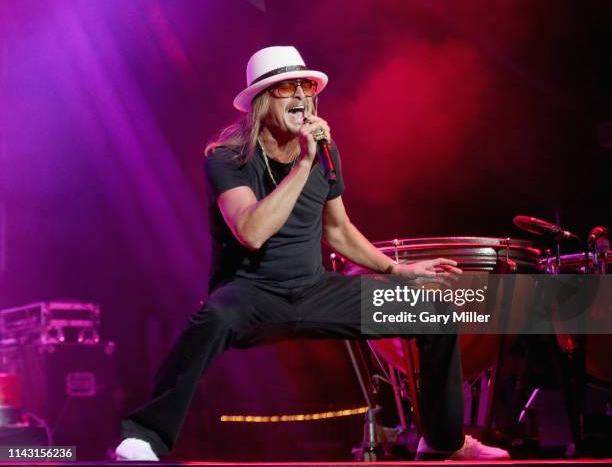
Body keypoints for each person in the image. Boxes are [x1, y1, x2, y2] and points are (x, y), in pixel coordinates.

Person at [115, 46, 510, 461]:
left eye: (307, 86)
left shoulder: (325, 153)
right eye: (288, 87)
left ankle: (443, 441)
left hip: (314, 289)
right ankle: (146, 436)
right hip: (251, 293)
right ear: (262, 100)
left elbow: (337, 229)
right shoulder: (228, 158)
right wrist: (303, 165)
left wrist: (397, 269)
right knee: (213, 319)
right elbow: (251, 231)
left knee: (434, 313)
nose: (301, 96)